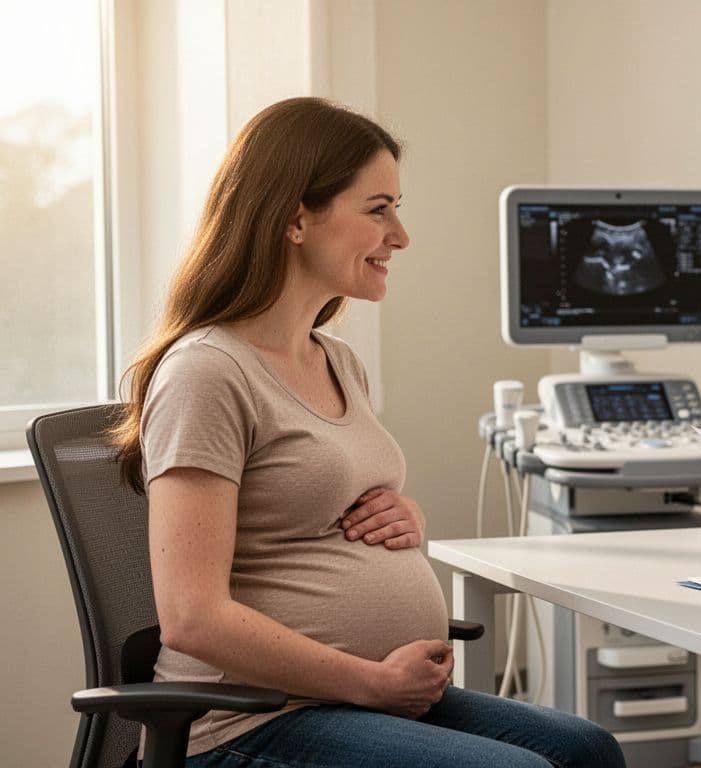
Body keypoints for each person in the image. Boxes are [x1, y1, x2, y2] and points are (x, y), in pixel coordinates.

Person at [111, 97, 625, 768]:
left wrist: (402, 518)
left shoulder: (336, 361)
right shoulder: (207, 372)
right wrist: (371, 682)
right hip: (249, 720)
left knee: (588, 749)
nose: (401, 235)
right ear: (296, 217)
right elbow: (192, 617)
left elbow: (311, 511)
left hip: (352, 699)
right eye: (378, 209)